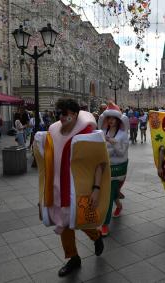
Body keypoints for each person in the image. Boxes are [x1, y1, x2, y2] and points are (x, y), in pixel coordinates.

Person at [33, 98, 107, 277]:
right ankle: (73, 257)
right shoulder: (52, 132)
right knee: (63, 223)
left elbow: (100, 162)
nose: (60, 116)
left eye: (64, 113)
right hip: (57, 187)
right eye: (58, 112)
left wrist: (96, 188)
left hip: (77, 187)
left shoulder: (87, 132)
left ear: (74, 114)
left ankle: (96, 237)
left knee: (80, 219)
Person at [98, 102, 129, 236]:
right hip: (103, 167)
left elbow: (122, 152)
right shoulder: (101, 132)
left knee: (108, 194)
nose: (110, 121)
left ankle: (105, 224)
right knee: (109, 192)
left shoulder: (123, 135)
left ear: (118, 120)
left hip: (117, 169)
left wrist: (111, 142)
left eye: (113, 118)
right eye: (108, 118)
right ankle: (119, 204)